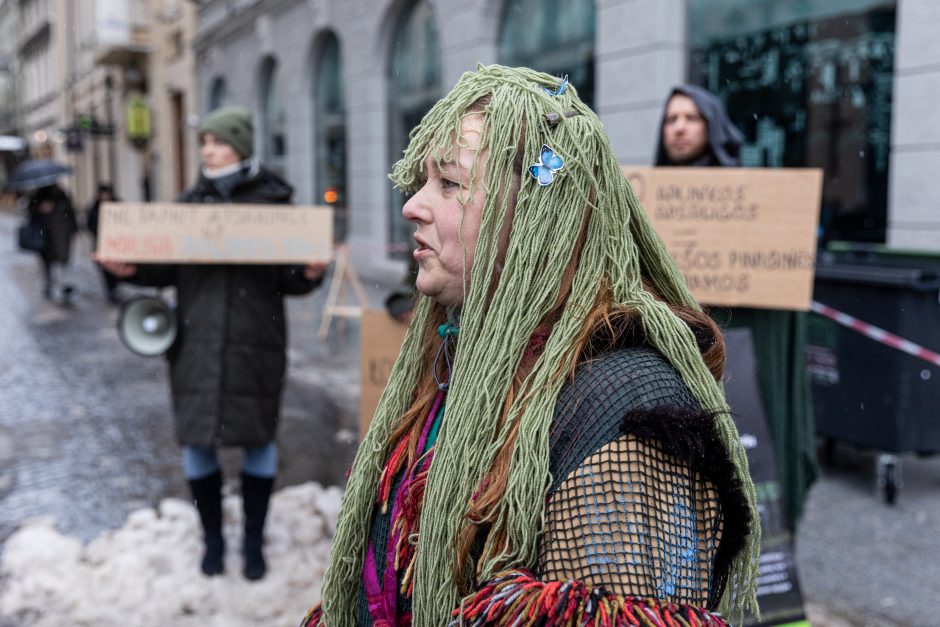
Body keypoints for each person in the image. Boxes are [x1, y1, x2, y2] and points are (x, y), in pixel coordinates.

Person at [301, 65, 760, 627]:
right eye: (423, 182)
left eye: (449, 184)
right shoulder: (469, 355)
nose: (413, 206)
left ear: (536, 216)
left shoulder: (628, 409)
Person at [98, 106, 329, 581]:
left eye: (219, 141)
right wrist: (131, 269)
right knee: (197, 441)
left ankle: (252, 542)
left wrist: (309, 274)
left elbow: (289, 278)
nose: (208, 149)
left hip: (255, 341)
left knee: (259, 441)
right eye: (204, 141)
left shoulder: (275, 205)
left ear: (241, 147)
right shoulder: (185, 206)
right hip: (196, 343)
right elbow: (164, 268)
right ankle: (212, 542)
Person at [655, 85, 817, 528]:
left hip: (743, 361)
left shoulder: (755, 200)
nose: (680, 127)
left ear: (712, 125)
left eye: (691, 117)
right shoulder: (645, 200)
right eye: (671, 119)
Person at [27, 183, 77, 301]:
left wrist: (74, 229)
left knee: (62, 260)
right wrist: (40, 206)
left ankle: (63, 284)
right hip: (44, 235)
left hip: (61, 234)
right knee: (47, 262)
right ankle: (49, 283)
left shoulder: (62, 194)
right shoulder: (38, 195)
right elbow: (31, 209)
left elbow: (69, 212)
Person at [85, 183, 121, 303]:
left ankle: (115, 287)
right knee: (106, 267)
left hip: (117, 242)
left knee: (117, 265)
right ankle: (111, 289)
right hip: (103, 243)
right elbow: (90, 224)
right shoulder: (95, 207)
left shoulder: (117, 205)